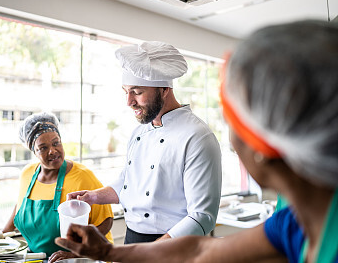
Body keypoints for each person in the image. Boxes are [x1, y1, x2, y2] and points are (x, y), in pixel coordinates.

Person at [54, 20, 338, 262]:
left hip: (168, 242)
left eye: (235, 118)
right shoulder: (290, 224)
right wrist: (107, 246)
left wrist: (143, 250)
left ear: (264, 144)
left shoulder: (197, 135)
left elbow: (200, 225)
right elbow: (197, 246)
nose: (129, 102)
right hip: (139, 242)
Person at [67, 41, 222, 244]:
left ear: (164, 89)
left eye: (137, 92)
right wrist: (93, 197)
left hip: (175, 246)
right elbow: (128, 183)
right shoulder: (139, 132)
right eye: (126, 92)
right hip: (132, 239)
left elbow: (203, 216)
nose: (129, 102)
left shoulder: (197, 137)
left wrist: (154, 250)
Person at [2, 112, 114, 262]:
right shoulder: (27, 175)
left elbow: (106, 220)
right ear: (34, 152)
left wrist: (77, 253)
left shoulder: (82, 176)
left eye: (56, 143)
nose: (52, 151)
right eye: (43, 147)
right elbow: (20, 206)